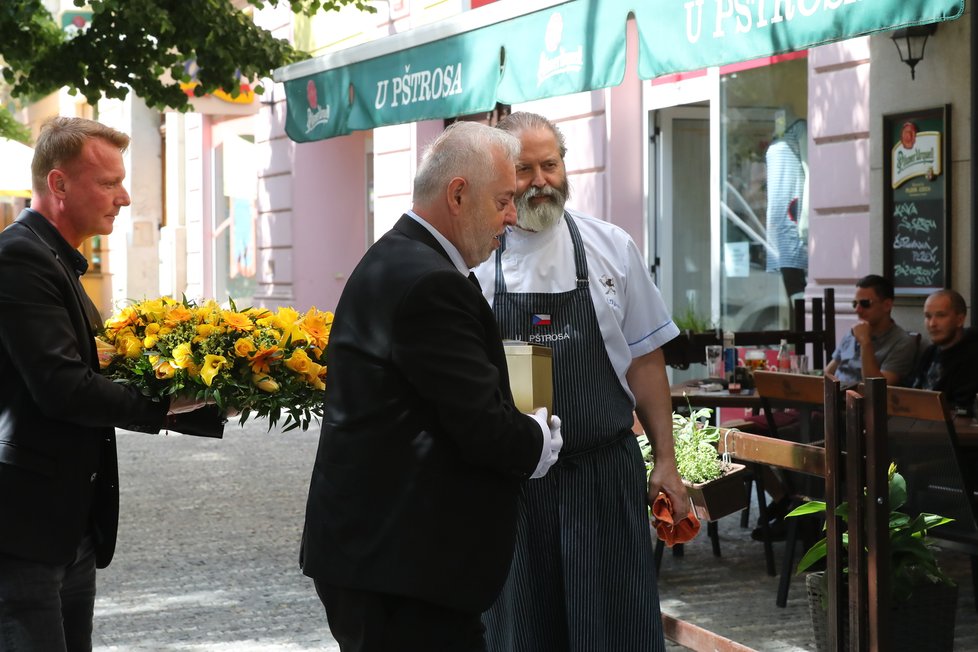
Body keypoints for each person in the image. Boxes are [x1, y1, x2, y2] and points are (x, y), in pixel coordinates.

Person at [300, 121, 563, 651]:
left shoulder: (400, 256)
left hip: (383, 562)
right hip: (404, 572)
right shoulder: (430, 281)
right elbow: (480, 425)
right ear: (459, 194)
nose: (512, 218)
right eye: (504, 200)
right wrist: (539, 439)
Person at [0, 117, 220, 651]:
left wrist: (212, 392)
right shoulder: (21, 257)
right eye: (108, 183)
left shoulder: (56, 259)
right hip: (24, 533)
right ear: (58, 185)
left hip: (67, 526)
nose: (123, 197)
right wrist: (170, 401)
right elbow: (65, 389)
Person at [473, 111, 687, 651]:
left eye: (552, 164)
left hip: (602, 479)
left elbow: (645, 361)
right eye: (525, 169)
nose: (542, 180)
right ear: (499, 176)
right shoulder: (472, 262)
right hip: (514, 485)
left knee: (613, 633)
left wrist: (666, 461)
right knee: (522, 634)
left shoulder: (611, 247)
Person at [825, 274, 917, 386]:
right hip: (834, 396)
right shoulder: (852, 333)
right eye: (855, 304)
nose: (857, 310)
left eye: (865, 303)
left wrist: (865, 342)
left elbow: (877, 390)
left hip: (861, 400)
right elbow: (828, 373)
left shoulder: (902, 342)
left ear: (887, 305)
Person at [911, 289, 978, 413]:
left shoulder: (971, 357)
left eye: (941, 315)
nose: (932, 324)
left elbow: (963, 409)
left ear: (960, 320)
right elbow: (914, 391)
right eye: (928, 316)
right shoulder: (930, 351)